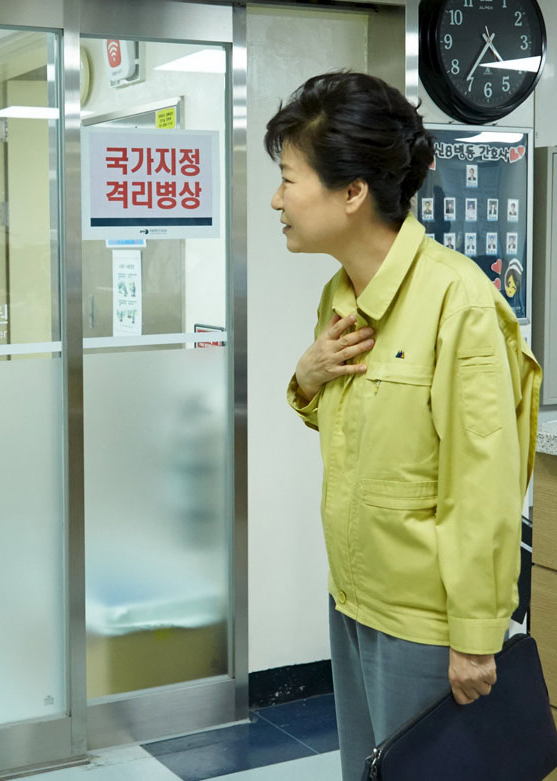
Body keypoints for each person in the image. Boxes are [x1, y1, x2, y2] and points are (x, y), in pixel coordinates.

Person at [267, 72, 540, 781]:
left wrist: (475, 635)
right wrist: (307, 380)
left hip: (426, 622)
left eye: (289, 179)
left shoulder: (458, 303)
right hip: (354, 598)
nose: (277, 200)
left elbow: (483, 487)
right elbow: (360, 433)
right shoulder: (340, 296)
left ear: (352, 192)